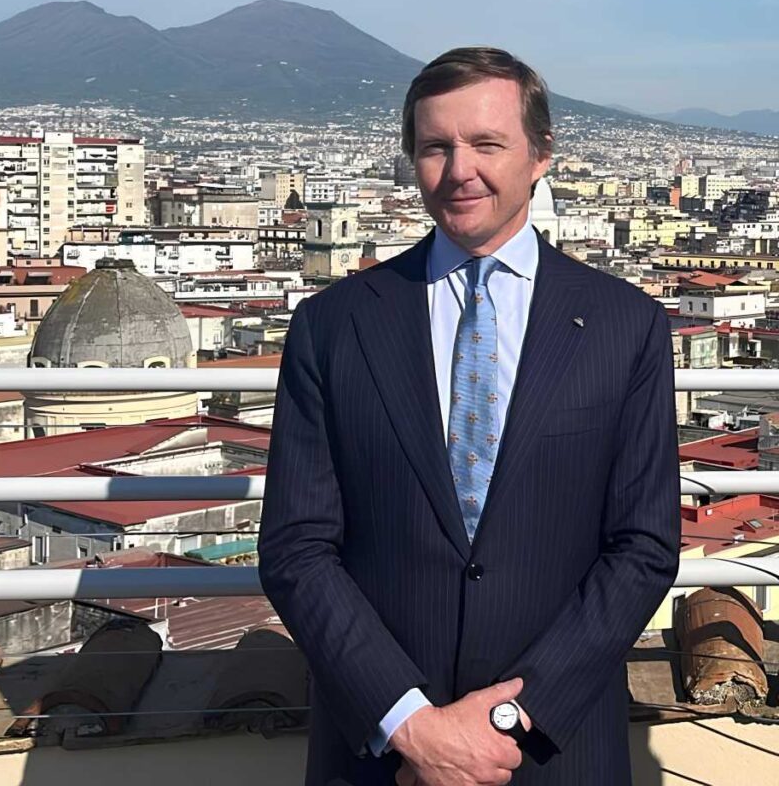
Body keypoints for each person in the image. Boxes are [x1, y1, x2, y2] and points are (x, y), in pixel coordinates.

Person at [257, 47, 680, 785]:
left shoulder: (625, 325)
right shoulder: (333, 326)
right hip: (380, 752)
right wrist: (411, 723)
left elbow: (643, 544)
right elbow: (296, 546)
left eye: (487, 144)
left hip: (554, 747)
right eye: (435, 148)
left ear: (541, 155)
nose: (460, 171)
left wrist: (507, 718)